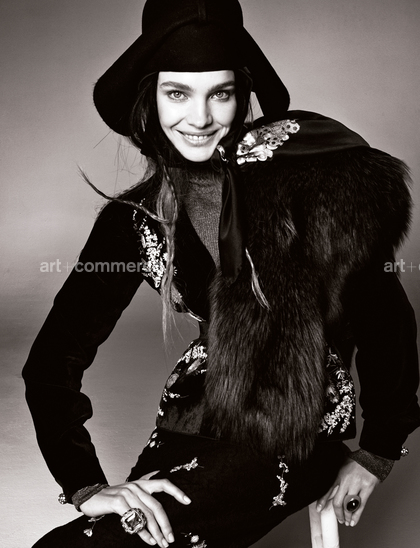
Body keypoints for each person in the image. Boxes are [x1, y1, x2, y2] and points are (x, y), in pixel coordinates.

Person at [23, 0, 420, 547]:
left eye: (221, 93)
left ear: (242, 93)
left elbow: (385, 323)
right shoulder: (136, 220)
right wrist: (85, 485)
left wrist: (377, 452)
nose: (200, 117)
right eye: (178, 93)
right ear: (149, 97)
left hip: (292, 431)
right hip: (188, 425)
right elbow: (52, 360)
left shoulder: (314, 182)